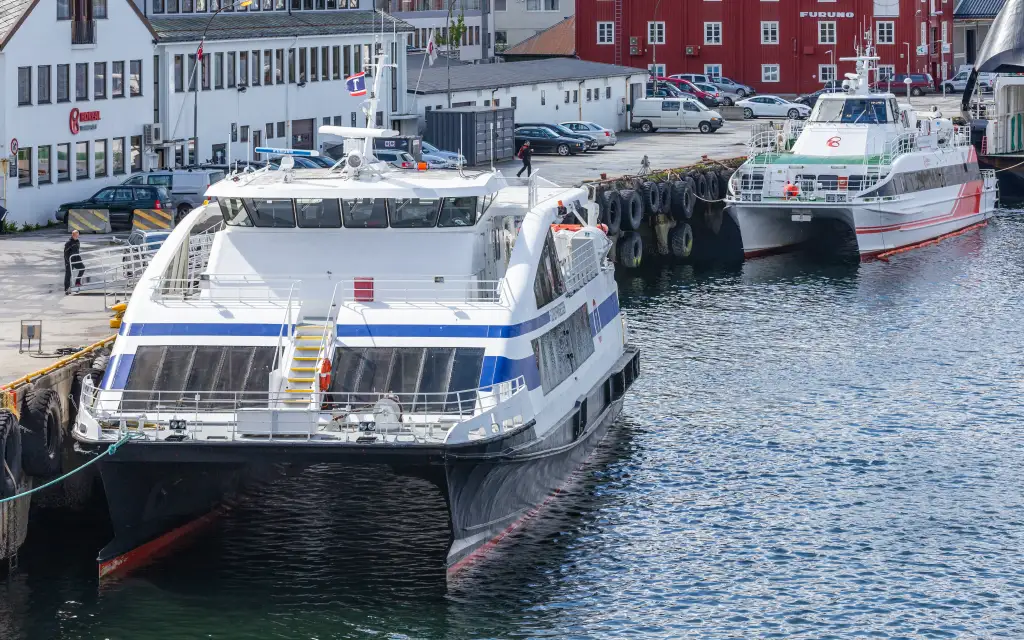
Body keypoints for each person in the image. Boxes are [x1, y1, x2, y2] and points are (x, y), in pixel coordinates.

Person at [64, 230, 84, 294]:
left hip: (76, 259)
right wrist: (68, 262)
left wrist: (80, 260)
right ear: (72, 235)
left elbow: (77, 252)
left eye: (78, 236)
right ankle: (67, 288)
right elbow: (65, 254)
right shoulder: (68, 243)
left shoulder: (77, 242)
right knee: (68, 275)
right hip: (69, 261)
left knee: (82, 268)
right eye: (76, 236)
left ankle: (77, 282)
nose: (77, 237)